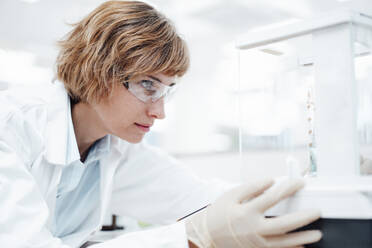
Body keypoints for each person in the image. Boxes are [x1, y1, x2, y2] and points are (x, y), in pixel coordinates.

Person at [0, 1, 322, 247]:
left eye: (166, 90)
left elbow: (205, 198)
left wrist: (321, 187)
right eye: (147, 86)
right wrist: (189, 237)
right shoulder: (11, 126)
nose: (160, 112)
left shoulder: (113, 149)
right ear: (96, 72)